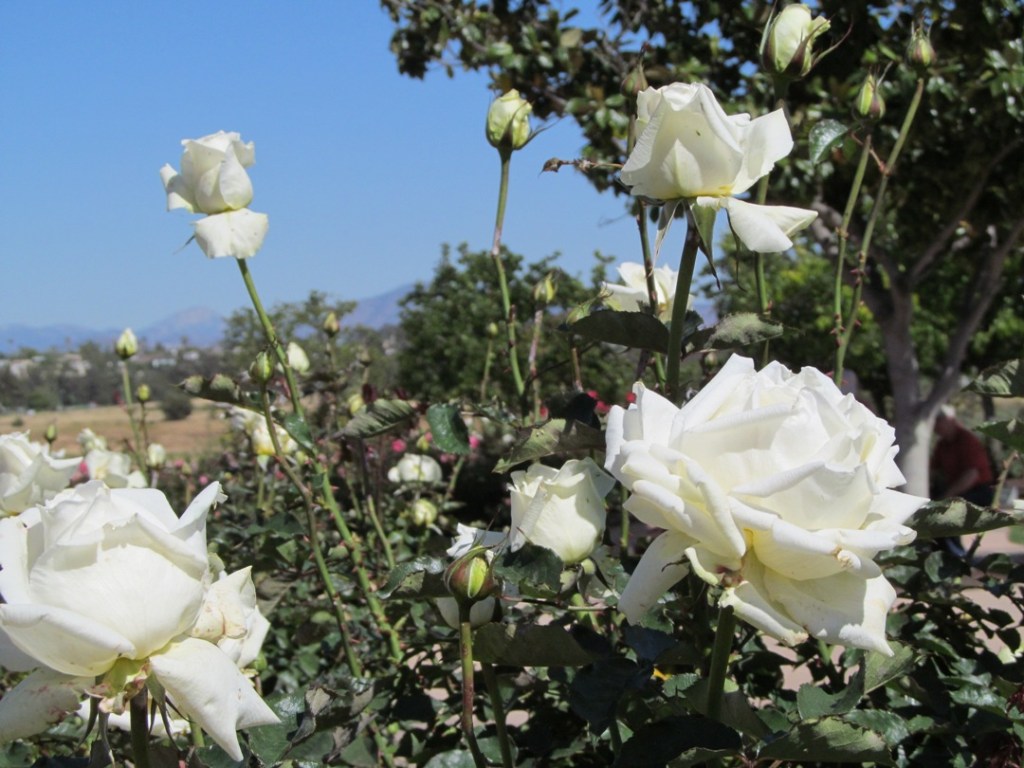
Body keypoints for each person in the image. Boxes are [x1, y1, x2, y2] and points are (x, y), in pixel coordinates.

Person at [931, 404, 995, 557]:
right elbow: (933, 470)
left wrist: (946, 497)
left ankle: (957, 556)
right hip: (959, 491)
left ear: (950, 420)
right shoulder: (942, 445)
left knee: (948, 515)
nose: (935, 426)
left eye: (939, 421)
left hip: (979, 491)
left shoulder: (967, 440)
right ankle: (941, 554)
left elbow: (971, 475)